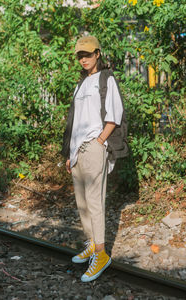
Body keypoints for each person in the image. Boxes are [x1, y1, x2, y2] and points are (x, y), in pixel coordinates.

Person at [61, 35, 127, 282]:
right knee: (82, 203)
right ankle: (91, 244)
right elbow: (74, 122)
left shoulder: (106, 79)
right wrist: (69, 152)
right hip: (77, 150)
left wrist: (100, 142)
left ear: (98, 53)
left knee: (95, 203)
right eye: (80, 55)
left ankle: (101, 254)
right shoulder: (81, 83)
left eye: (88, 54)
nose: (83, 59)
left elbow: (114, 115)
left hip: (95, 146)